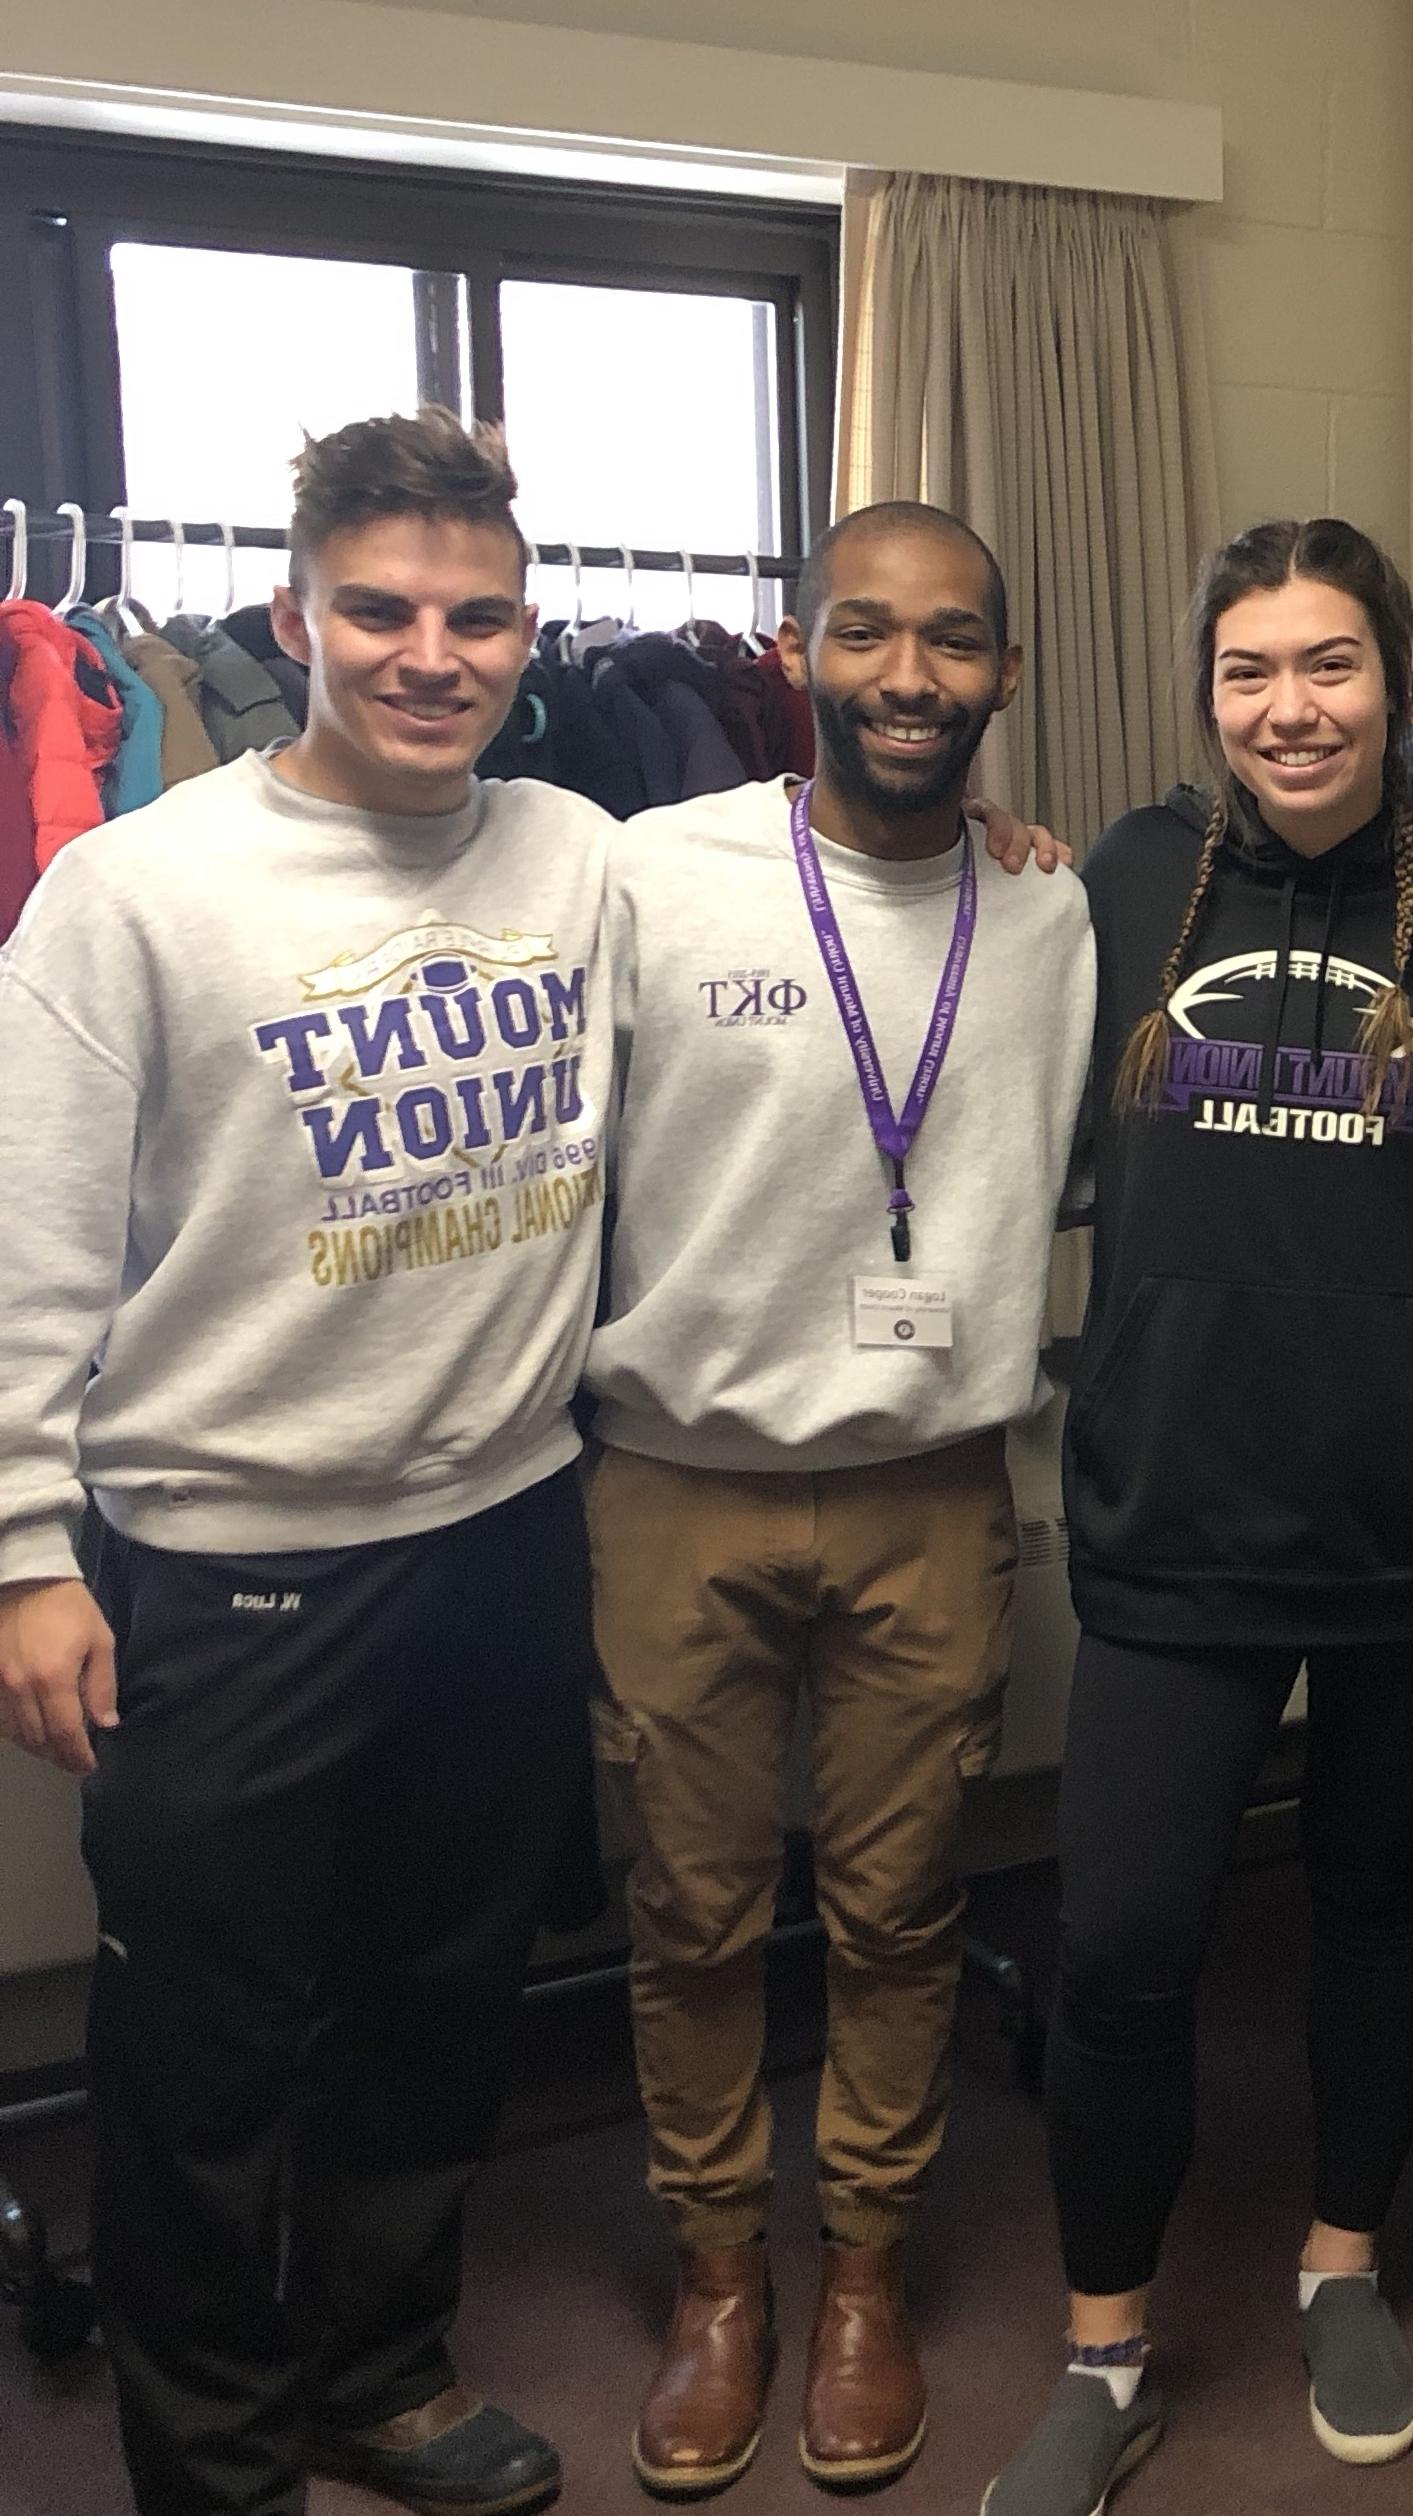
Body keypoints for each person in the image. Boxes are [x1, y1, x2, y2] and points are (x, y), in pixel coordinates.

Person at [0, 411, 608, 2516]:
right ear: (296, 617)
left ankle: (381, 2366)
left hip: (507, 1539)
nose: (432, 652)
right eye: (381, 609)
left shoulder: (576, 851)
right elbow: (30, 1242)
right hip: (229, 1559)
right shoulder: (131, 890)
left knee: (441, 2004)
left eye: (476, 615)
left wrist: (998, 845)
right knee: (204, 2059)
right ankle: (219, 2456)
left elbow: (807, 885)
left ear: (530, 629)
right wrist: (19, 1553)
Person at [980, 516, 1413, 2516]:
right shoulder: (1119, 878)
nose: (1289, 708)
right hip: (1176, 1508)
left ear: (1401, 679)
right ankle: (1106, 2344)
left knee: (1382, 1908)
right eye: (1249, 672)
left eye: (1328, 666)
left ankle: (1342, 2260)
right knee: (1122, 1944)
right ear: (1205, 689)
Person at [587, 502, 1096, 2497]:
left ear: (1004, 676)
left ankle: (866, 2269)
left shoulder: (1053, 907)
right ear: (801, 656)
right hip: (678, 1485)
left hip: (928, 1487)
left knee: (901, 1911)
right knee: (694, 1913)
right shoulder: (650, 873)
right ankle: (725, 2276)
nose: (910, 675)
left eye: (952, 640)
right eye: (868, 637)